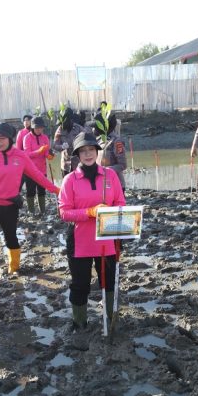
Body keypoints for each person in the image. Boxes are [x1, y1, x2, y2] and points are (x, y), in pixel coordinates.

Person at [0, 122, 59, 274]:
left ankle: (14, 270)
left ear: (10, 139)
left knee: (11, 238)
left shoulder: (21, 156)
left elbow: (38, 176)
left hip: (10, 206)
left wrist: (57, 190)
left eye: (2, 138)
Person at [59, 132, 126, 332]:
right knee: (80, 284)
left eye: (91, 150)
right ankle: (79, 322)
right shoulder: (70, 180)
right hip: (80, 241)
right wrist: (90, 212)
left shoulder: (110, 175)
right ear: (77, 155)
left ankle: (111, 319)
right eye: (83, 151)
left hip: (108, 238)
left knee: (109, 281)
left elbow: (120, 202)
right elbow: (64, 212)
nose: (88, 154)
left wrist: (111, 212)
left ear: (97, 152)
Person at [20, 116, 53, 215]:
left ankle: (42, 210)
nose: (39, 130)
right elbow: (27, 154)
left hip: (42, 169)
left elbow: (46, 153)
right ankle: (31, 211)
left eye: (41, 128)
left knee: (42, 190)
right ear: (33, 127)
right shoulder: (27, 138)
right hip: (30, 170)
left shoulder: (45, 138)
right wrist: (38, 151)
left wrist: (49, 155)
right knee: (30, 191)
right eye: (37, 128)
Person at [53, 108, 85, 177]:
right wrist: (61, 146)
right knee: (66, 181)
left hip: (78, 162)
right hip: (65, 164)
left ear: (71, 120)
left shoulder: (79, 128)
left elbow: (86, 141)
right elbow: (55, 145)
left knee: (79, 181)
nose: (63, 125)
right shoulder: (59, 130)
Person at [99, 114, 128, 191]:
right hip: (102, 184)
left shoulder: (116, 141)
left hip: (116, 184)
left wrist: (105, 170)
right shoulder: (99, 140)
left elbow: (123, 165)